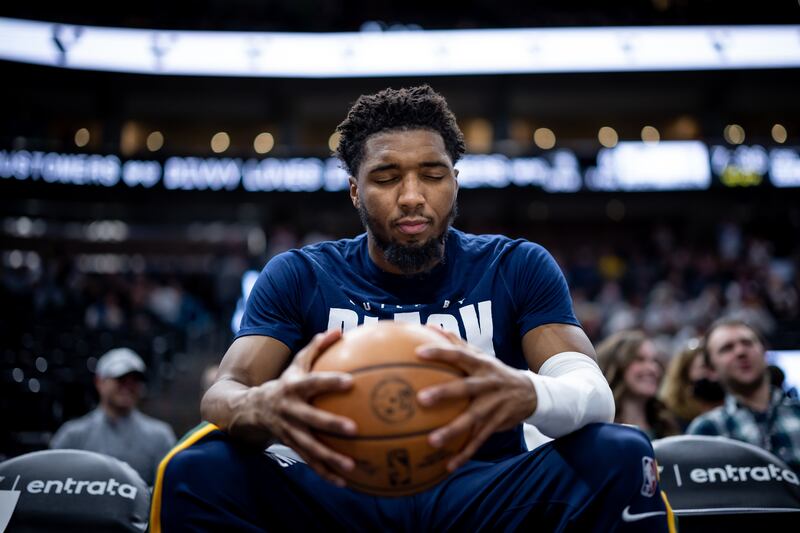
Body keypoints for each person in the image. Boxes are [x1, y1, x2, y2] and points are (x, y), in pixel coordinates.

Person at [152, 86, 674, 532]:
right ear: (355, 191)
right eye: (385, 178)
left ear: (455, 182)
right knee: (195, 468)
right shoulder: (301, 273)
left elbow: (593, 394)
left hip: (484, 488)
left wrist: (528, 392)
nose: (411, 196)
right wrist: (261, 407)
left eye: (432, 173)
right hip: (338, 490)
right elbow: (224, 390)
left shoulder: (516, 264)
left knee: (622, 453)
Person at [687, 318, 800, 473]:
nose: (740, 352)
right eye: (727, 348)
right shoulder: (706, 431)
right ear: (711, 370)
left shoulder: (797, 411)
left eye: (747, 343)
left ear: (765, 352)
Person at [50, 347, 176, 486]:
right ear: (99, 382)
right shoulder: (73, 435)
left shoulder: (160, 436)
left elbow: (165, 491)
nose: (128, 386)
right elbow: (50, 483)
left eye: (135, 380)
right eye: (121, 379)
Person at [597, 330, 681, 439]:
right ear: (616, 366)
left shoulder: (668, 426)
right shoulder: (597, 429)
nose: (653, 368)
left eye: (655, 361)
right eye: (640, 359)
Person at [659, 339, 724, 431]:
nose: (713, 374)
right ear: (685, 374)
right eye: (704, 367)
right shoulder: (670, 417)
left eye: (714, 366)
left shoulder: (731, 407)